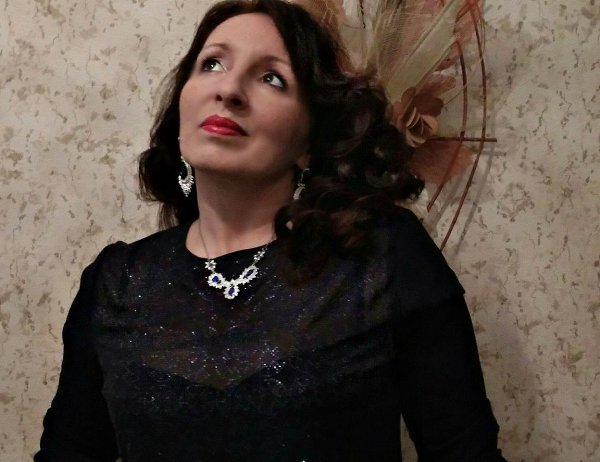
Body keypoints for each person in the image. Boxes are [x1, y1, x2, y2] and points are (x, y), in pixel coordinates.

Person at [35, 0, 506, 460]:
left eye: (271, 78)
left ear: (310, 139)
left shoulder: (382, 256)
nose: (229, 89)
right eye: (212, 63)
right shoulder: (117, 282)